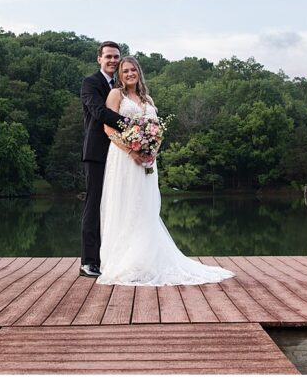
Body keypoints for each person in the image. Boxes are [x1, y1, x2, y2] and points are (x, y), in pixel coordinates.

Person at [96, 56, 234, 286]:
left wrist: (152, 151)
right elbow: (108, 129)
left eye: (133, 70)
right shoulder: (116, 95)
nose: (130, 74)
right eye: (125, 71)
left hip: (147, 160)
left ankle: (146, 260)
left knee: (146, 207)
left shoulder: (147, 99)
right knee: (126, 204)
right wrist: (131, 151)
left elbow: (156, 130)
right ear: (120, 75)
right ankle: (125, 261)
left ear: (139, 72)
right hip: (123, 159)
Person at [79, 41, 144, 278]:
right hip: (98, 153)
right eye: (108, 56)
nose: (113, 60)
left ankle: (116, 259)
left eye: (116, 57)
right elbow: (99, 112)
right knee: (95, 205)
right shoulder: (91, 83)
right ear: (99, 59)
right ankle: (89, 262)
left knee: (120, 205)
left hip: (121, 155)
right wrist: (134, 125)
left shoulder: (122, 87)